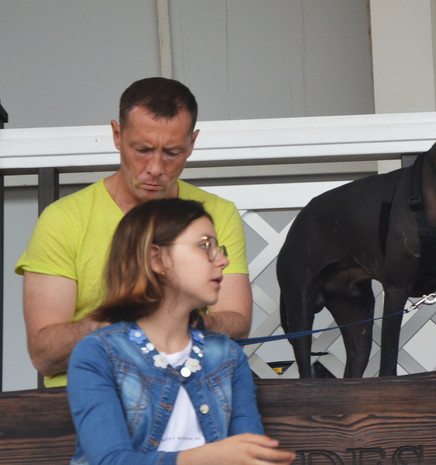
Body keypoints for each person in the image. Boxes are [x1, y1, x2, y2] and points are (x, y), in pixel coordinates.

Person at [16, 77, 253, 387]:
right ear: (117, 135)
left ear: (192, 144)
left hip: (190, 392)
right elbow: (44, 354)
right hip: (84, 395)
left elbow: (237, 322)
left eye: (172, 153)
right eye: (142, 149)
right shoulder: (63, 220)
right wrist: (129, 325)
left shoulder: (217, 213)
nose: (155, 168)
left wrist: (174, 322)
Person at [67, 198, 294, 465]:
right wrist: (210, 457)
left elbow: (250, 455)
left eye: (219, 248)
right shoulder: (98, 354)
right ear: (156, 259)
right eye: (205, 245)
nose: (223, 260)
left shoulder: (227, 355)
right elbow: (110, 461)